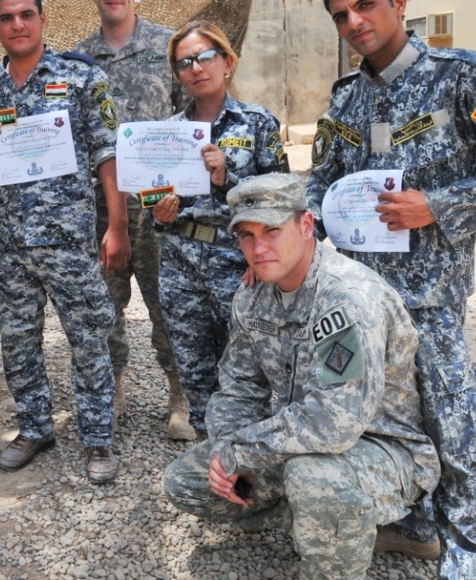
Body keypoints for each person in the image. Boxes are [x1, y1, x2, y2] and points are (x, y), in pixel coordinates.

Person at [307, 0, 476, 578]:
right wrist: (306, 221)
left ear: (397, 2)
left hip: (430, 291)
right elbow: (322, 179)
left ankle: (472, 546)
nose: (354, 22)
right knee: (385, 412)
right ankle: (416, 522)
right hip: (363, 290)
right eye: (341, 15)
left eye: (365, 6)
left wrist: (438, 206)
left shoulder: (464, 76)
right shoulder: (348, 97)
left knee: (451, 413)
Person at [163, 173, 440, 580]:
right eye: (246, 235)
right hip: (301, 440)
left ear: (307, 225)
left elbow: (333, 421)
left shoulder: (344, 298)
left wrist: (243, 452)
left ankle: (340, 536)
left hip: (384, 449)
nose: (258, 248)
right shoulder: (253, 294)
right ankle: (325, 521)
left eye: (273, 231)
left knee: (312, 477)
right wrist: (227, 451)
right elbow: (238, 389)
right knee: (186, 480)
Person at [0, 0, 129, 484]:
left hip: (69, 239)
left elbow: (106, 152)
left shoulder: (80, 76)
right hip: (13, 241)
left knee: (88, 340)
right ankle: (36, 428)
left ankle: (98, 438)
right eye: (7, 17)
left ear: (42, 19)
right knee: (17, 341)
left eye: (26, 15)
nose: (17, 24)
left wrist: (117, 224)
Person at [150, 21, 289, 439]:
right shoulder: (168, 134)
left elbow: (282, 199)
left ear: (227, 61)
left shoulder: (257, 123)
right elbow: (155, 209)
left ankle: (251, 457)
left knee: (248, 368)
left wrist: (226, 178)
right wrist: (160, 215)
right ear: (178, 74)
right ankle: (211, 455)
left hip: (238, 264)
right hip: (180, 265)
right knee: (194, 367)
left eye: (205, 57)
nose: (196, 68)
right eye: (185, 63)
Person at [73, 0, 188, 434]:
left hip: (161, 206)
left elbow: (192, 120)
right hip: (103, 210)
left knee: (171, 303)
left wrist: (185, 190)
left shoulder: (169, 47)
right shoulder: (76, 61)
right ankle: (115, 386)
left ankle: (180, 395)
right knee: (105, 305)